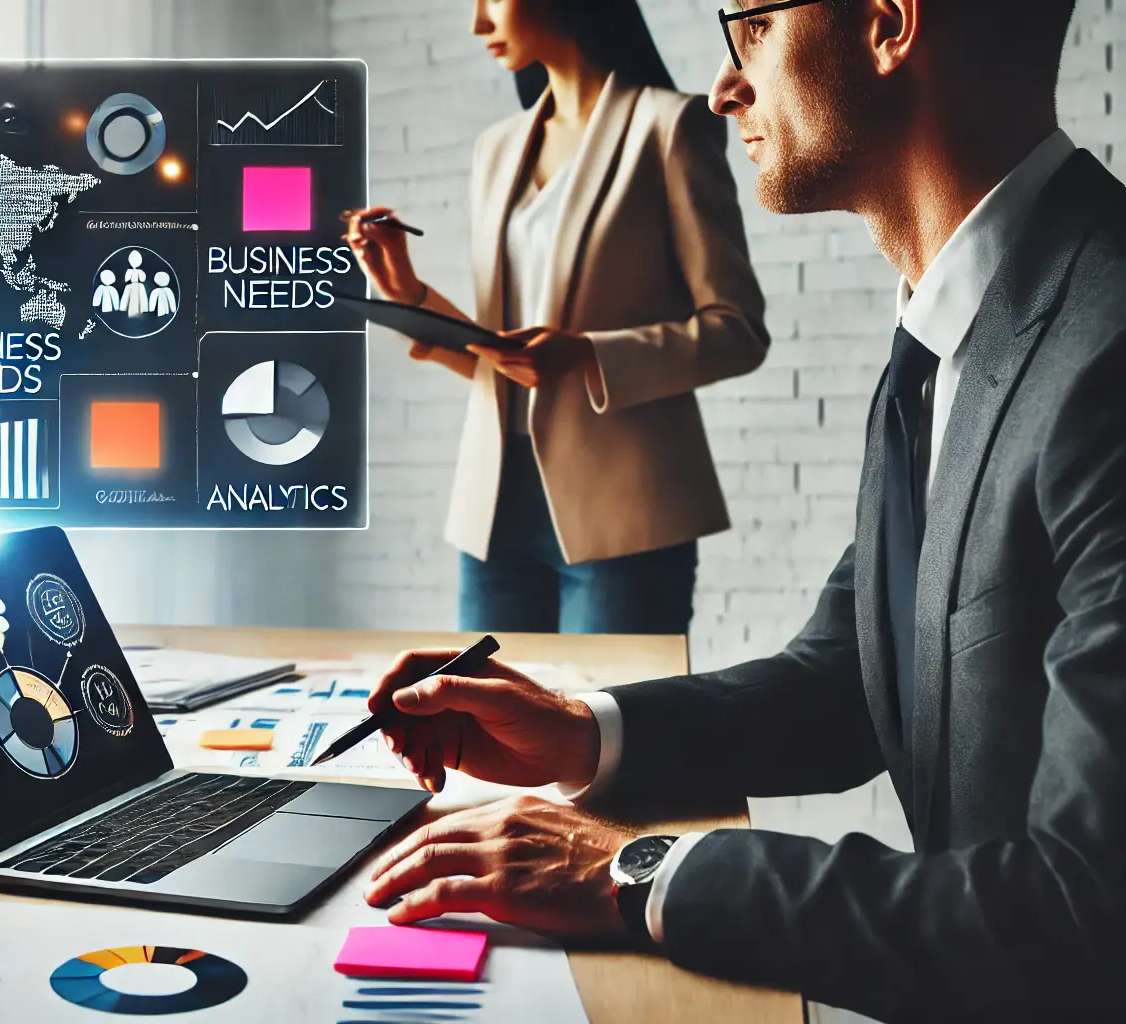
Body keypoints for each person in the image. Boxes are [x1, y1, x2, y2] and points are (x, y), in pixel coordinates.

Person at [361, 0, 1126, 1019]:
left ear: (889, 24)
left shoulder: (1105, 358)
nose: (725, 86)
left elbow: (1078, 918)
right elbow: (854, 676)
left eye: (755, 28)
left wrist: (635, 870)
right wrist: (583, 733)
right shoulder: (949, 334)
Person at [345, 0, 768, 635]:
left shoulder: (669, 126)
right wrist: (408, 292)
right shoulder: (498, 148)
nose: (477, 23)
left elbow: (737, 330)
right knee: (486, 724)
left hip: (627, 514)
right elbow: (507, 359)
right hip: (492, 513)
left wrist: (588, 355)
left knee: (610, 727)